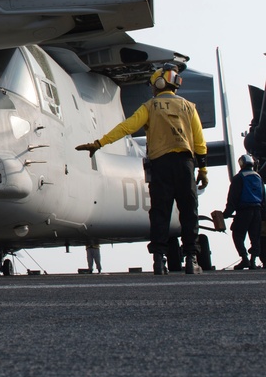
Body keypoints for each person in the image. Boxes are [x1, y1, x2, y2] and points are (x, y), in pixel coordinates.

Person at [76, 65, 207, 276]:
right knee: (189, 212)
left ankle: (159, 261)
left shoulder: (150, 106)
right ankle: (191, 259)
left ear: (159, 83)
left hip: (160, 166)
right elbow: (200, 143)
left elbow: (126, 127)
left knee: (160, 212)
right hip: (185, 164)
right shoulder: (188, 107)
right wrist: (203, 170)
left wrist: (99, 143)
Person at [223, 154, 264, 270]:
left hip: (243, 212)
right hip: (257, 211)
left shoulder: (238, 178)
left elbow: (233, 197)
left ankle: (244, 258)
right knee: (255, 237)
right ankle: (253, 261)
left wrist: (226, 213)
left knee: (238, 234)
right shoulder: (258, 177)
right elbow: (263, 197)